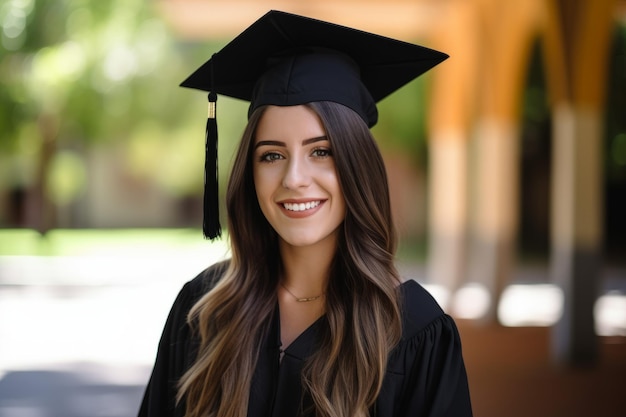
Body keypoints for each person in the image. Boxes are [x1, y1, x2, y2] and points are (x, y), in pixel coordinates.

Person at [138, 10, 472, 417]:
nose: (294, 178)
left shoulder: (414, 331)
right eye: (272, 155)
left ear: (357, 164)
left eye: (321, 151)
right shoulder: (203, 311)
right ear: (250, 173)